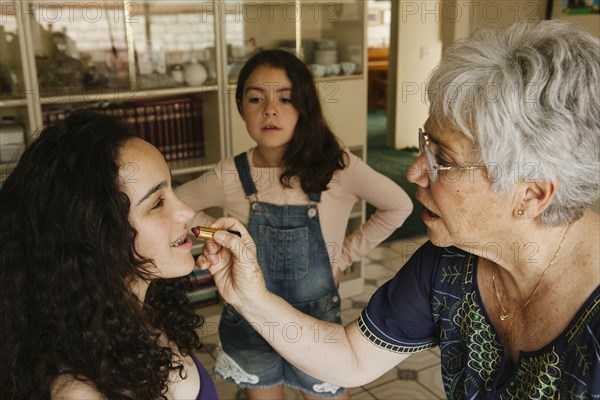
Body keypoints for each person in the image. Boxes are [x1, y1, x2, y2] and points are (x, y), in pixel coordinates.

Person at [197, 20, 600, 399]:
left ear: (530, 194)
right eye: (425, 143)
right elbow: (352, 358)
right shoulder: (449, 263)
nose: (414, 170)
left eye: (443, 159)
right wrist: (247, 295)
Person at [175, 49, 413, 399]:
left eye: (285, 99)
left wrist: (344, 256)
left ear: (305, 106)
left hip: (316, 326)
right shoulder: (231, 173)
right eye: (256, 98)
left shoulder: (338, 166)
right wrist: (224, 235)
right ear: (241, 108)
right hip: (250, 324)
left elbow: (399, 205)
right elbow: (178, 206)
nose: (270, 109)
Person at [0, 111, 218, 400]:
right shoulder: (79, 393)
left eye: (172, 189)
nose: (187, 212)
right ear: (96, 237)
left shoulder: (145, 313)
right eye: (156, 204)